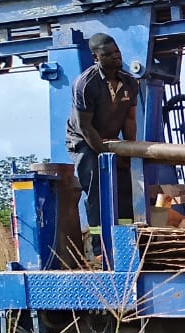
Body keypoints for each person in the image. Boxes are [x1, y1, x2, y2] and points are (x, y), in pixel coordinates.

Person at [66, 33, 138, 257]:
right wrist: (104, 155)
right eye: (108, 54)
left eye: (117, 51)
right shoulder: (85, 84)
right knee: (97, 189)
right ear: (96, 57)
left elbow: (129, 119)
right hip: (84, 142)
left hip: (111, 141)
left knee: (124, 187)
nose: (116, 56)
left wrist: (129, 149)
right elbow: (85, 127)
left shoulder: (129, 82)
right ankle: (100, 249)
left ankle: (125, 244)